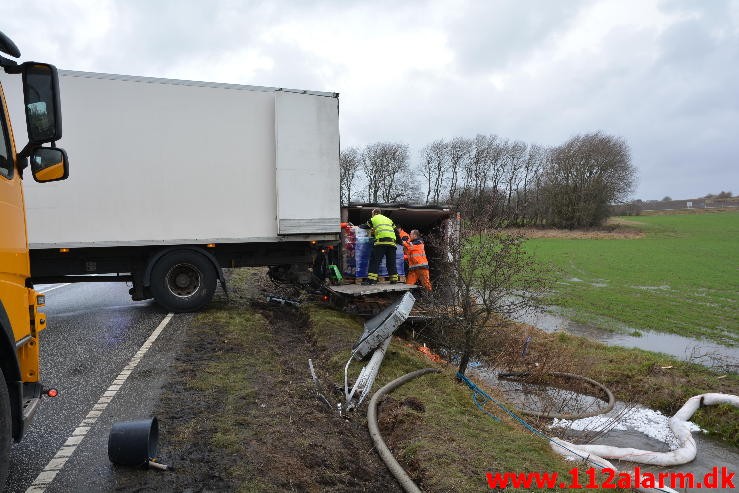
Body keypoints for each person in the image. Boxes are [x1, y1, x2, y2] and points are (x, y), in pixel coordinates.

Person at [361, 208, 399, 285]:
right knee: (391, 262)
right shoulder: (389, 220)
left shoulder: (373, 219)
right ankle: (394, 279)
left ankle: (372, 280)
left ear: (374, 213)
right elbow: (396, 231)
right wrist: (400, 243)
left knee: (375, 261)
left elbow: (365, 226)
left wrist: (357, 226)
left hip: (381, 242)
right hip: (392, 243)